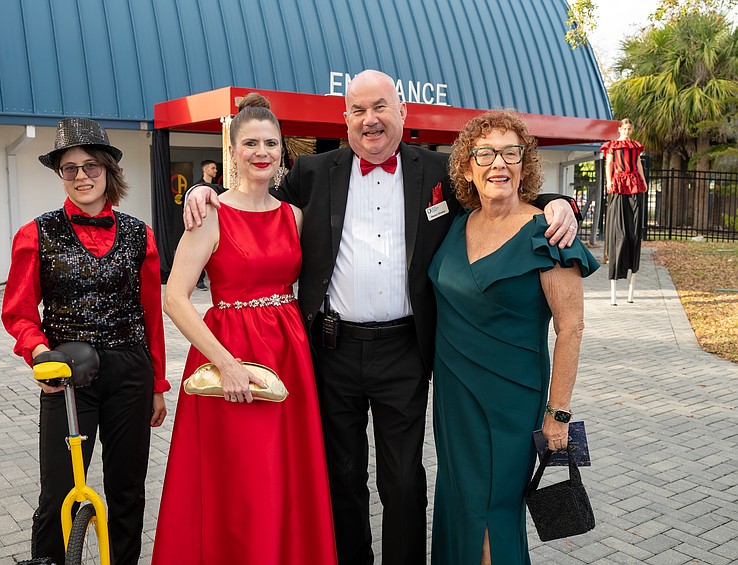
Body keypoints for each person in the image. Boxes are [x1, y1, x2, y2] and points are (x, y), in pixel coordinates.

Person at [184, 70, 580, 565]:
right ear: (344, 118)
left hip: (405, 349)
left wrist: (557, 203)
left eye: (380, 108)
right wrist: (202, 194)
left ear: (402, 113)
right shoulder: (311, 171)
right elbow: (253, 207)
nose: (370, 120)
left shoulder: (437, 173)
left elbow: (499, 191)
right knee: (342, 475)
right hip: (330, 349)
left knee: (404, 478)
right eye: (358, 110)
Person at [151, 93, 337, 565]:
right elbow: (174, 298)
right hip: (228, 356)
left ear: (282, 152)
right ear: (232, 150)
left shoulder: (293, 216)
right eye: (250, 142)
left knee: (284, 474)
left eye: (270, 143)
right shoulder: (209, 214)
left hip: (288, 357)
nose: (262, 152)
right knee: (241, 477)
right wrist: (227, 364)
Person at [428, 110, 599, 564]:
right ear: (467, 166)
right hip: (453, 397)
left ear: (525, 165)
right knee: (461, 503)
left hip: (511, 401)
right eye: (485, 153)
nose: (498, 163)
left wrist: (557, 415)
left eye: (510, 153)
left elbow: (572, 328)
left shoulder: (549, 231)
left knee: (493, 510)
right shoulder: (456, 224)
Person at [1, 117, 169, 565]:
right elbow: (18, 312)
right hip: (68, 375)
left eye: (91, 166)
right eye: (70, 168)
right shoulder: (36, 233)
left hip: (131, 372)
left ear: (109, 171)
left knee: (127, 490)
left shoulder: (140, 233)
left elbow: (151, 314)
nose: (81, 176)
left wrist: (157, 384)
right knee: (58, 492)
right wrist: (39, 354)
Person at [601, 118, 648, 305]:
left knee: (633, 229)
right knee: (619, 228)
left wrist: (643, 181)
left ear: (632, 129)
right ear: (620, 129)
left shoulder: (635, 146)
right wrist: (609, 181)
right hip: (619, 181)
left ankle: (631, 274)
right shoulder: (613, 145)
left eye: (630, 128)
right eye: (625, 128)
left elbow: (638, 164)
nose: (627, 131)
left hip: (634, 181)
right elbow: (609, 164)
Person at [193, 159, 223, 290]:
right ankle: (198, 280)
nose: (215, 171)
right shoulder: (196, 187)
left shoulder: (218, 187)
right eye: (212, 168)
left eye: (215, 168)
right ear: (205, 170)